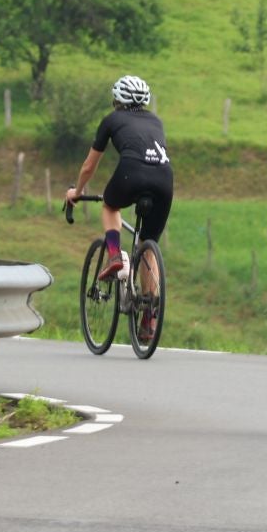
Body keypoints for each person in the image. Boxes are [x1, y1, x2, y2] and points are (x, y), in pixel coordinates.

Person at [64, 74, 173, 341]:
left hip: (130, 173)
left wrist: (76, 193)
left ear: (117, 100)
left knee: (110, 206)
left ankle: (114, 255)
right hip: (164, 179)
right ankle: (149, 317)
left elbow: (89, 166)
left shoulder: (112, 120)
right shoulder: (156, 121)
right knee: (149, 245)